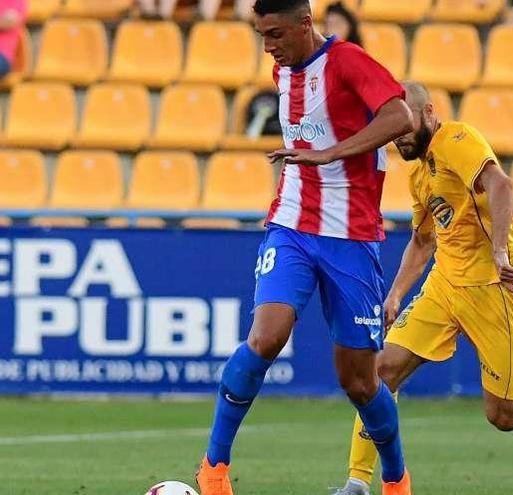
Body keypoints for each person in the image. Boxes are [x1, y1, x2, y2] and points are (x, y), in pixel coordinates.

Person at [194, 1, 415, 495]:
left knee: (359, 382)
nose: (268, 46)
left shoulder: (349, 62)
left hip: (352, 238)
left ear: (305, 24)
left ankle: (397, 479)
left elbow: (400, 116)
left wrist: (332, 153)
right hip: (291, 226)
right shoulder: (283, 69)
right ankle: (213, 469)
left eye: (274, 34)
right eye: (261, 36)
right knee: (266, 338)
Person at [331, 82, 513, 495]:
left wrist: (500, 253)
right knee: (380, 372)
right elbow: (422, 240)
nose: (398, 135)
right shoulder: (419, 170)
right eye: (392, 127)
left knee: (505, 415)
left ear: (429, 113)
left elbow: (501, 184)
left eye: (405, 124)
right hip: (444, 284)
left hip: (493, 288)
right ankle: (358, 482)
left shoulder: (456, 139)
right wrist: (396, 294)